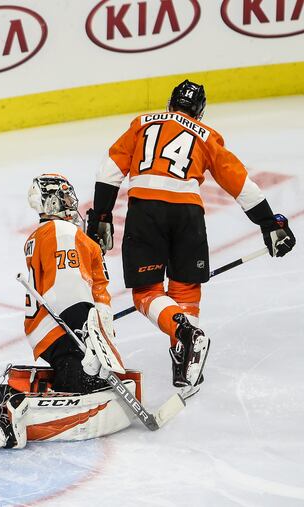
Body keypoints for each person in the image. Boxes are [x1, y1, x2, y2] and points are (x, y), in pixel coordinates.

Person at [86, 79, 296, 396]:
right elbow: (238, 181)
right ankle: (186, 363)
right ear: (200, 111)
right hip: (189, 215)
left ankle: (181, 332)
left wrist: (101, 214)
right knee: (185, 290)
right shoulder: (207, 135)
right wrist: (269, 222)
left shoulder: (141, 124)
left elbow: (110, 170)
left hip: (147, 212)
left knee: (146, 293)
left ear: (171, 104)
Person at [0, 174, 131, 449]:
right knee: (86, 382)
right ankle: (14, 406)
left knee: (71, 371)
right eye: (66, 197)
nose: (72, 203)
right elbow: (67, 288)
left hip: (43, 330)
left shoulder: (41, 236)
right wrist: (89, 330)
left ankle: (13, 393)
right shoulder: (62, 232)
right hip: (61, 325)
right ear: (51, 201)